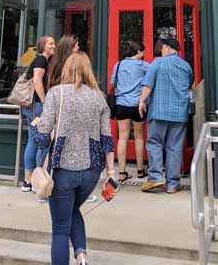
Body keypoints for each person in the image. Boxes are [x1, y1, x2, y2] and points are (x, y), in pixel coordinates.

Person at [35, 51, 116, 265]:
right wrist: (111, 172)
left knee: (60, 228)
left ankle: (79, 256)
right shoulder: (99, 98)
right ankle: (81, 256)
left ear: (67, 69)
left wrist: (39, 129)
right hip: (91, 171)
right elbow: (107, 138)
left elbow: (42, 137)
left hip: (62, 169)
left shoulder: (56, 93)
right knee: (72, 210)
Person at [138, 36, 193, 194]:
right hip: (179, 113)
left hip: (159, 111)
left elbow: (148, 84)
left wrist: (142, 101)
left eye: (161, 49)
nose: (161, 52)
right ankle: (172, 184)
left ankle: (155, 177)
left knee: (154, 143)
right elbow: (189, 85)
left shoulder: (157, 63)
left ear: (167, 48)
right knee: (174, 147)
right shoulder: (186, 66)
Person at [109, 40, 149, 182]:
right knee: (139, 137)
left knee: (123, 138)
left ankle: (122, 172)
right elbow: (152, 78)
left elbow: (112, 83)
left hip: (121, 104)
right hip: (137, 105)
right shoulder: (143, 65)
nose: (144, 54)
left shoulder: (118, 64)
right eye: (142, 51)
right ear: (137, 52)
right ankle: (140, 170)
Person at [21, 34, 56, 192]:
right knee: (42, 141)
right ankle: (37, 181)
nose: (53, 46)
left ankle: (28, 181)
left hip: (30, 106)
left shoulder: (41, 60)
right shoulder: (41, 59)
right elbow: (36, 81)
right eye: (50, 44)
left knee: (33, 140)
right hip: (36, 106)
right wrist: (45, 102)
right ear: (43, 46)